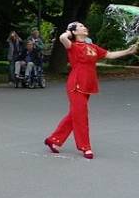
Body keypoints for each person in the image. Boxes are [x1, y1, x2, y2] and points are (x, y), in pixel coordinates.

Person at [44, 22, 137, 159]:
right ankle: (85, 147)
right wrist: (68, 32)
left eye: (84, 26)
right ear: (74, 32)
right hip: (76, 84)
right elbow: (63, 38)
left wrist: (128, 51)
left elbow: (109, 55)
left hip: (88, 84)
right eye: (80, 26)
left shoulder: (92, 47)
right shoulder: (73, 46)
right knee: (81, 115)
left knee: (74, 115)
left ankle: (54, 140)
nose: (84, 27)